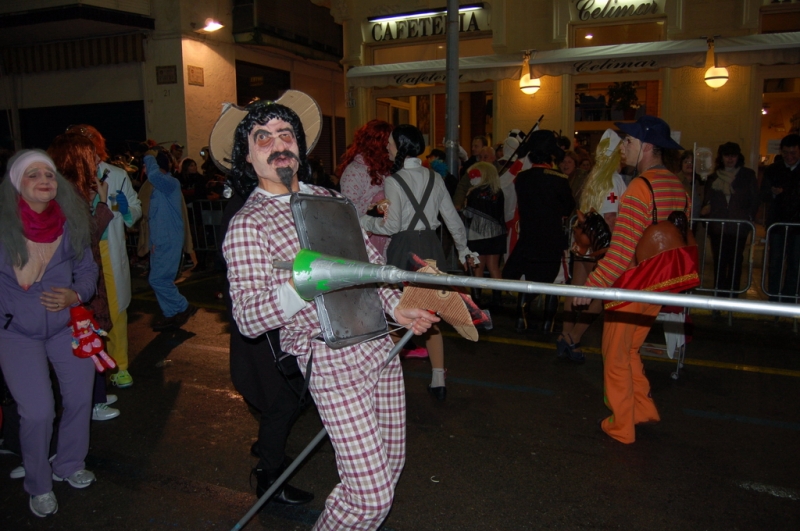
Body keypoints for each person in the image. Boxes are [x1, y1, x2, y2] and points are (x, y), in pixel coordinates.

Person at [219, 92, 438, 531]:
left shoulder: (330, 199)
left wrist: (403, 311)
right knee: (370, 494)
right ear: (247, 156)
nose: (278, 143)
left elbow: (369, 271)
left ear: (299, 146)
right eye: (262, 137)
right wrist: (304, 285)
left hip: (380, 348)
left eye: (286, 134)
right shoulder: (248, 225)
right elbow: (246, 318)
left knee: (387, 473)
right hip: (330, 359)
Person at [573, 115, 698, 444]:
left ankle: (622, 426)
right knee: (630, 351)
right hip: (658, 286)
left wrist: (590, 288)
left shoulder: (638, 189)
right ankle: (642, 409)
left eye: (628, 142)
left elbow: (620, 253)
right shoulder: (676, 186)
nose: (622, 148)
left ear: (645, 147)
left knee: (615, 355)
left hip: (631, 285)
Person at [0, 150, 99, 517]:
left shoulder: (70, 223)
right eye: (33, 175)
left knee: (79, 396)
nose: (44, 180)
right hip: (15, 334)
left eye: (50, 174)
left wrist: (76, 294)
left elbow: (88, 271)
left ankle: (70, 463)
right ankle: (38, 483)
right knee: (38, 412)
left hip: (64, 329)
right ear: (17, 184)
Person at [360, 124, 477, 401]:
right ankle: (438, 378)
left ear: (400, 146)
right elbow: (452, 219)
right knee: (430, 313)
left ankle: (388, 380)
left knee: (395, 314)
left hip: (404, 249)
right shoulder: (435, 177)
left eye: (390, 143)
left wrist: (363, 220)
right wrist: (463, 250)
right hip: (431, 247)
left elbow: (392, 225)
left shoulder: (394, 179)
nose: (387, 147)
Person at [220, 189, 314, 505]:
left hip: (278, 318)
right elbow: (243, 280)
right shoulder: (245, 209)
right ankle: (269, 478)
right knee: (285, 397)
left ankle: (267, 453)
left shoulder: (267, 198)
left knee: (287, 396)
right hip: (267, 323)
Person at [48, 133, 120, 421]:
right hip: (72, 285)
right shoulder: (65, 193)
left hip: (81, 280)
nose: (96, 162)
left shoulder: (71, 191)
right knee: (83, 339)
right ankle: (90, 402)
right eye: (90, 157)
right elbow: (86, 238)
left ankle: (96, 395)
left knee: (89, 336)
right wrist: (102, 205)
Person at [67, 124, 142, 389]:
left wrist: (125, 207)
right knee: (84, 312)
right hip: (79, 253)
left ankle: (119, 365)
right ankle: (89, 368)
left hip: (109, 249)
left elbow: (134, 207)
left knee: (116, 308)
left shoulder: (118, 175)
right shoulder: (68, 175)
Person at [558, 129, 628, 363]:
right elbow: (610, 219)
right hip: (600, 246)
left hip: (583, 243)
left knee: (575, 290)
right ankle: (573, 337)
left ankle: (565, 334)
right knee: (599, 296)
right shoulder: (613, 180)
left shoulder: (593, 177)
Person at [502, 130, 575, 332]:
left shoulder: (523, 178)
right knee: (555, 283)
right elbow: (568, 207)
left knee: (528, 280)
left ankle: (520, 318)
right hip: (552, 238)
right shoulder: (559, 178)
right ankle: (547, 324)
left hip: (528, 237)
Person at [142, 148, 197, 331]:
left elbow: (154, 176)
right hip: (161, 241)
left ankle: (182, 307)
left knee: (158, 280)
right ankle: (172, 313)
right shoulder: (159, 187)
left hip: (168, 240)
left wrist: (150, 156)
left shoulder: (170, 183)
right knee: (161, 279)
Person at [701, 142, 759, 297]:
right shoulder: (714, 177)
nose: (730, 159)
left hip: (739, 226)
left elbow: (754, 199)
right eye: (727, 155)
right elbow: (707, 200)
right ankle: (719, 295)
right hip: (718, 226)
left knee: (735, 261)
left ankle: (733, 295)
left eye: (733, 155)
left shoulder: (747, 175)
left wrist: (749, 219)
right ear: (722, 157)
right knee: (719, 262)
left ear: (738, 156)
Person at [337, 119, 394, 258]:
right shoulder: (354, 171)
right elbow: (349, 211)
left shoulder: (386, 169)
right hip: (366, 240)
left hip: (385, 237)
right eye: (390, 142)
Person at [760, 133, 800, 302]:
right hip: (777, 223)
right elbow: (763, 194)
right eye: (786, 153)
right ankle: (774, 296)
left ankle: (790, 297)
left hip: (797, 225)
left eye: (793, 154)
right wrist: (773, 193)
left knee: (795, 263)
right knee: (775, 262)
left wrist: (786, 195)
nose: (789, 157)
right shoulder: (773, 170)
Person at [461, 161, 506, 308]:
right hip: (496, 234)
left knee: (477, 267)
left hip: (477, 235)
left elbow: (468, 214)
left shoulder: (474, 192)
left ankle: (476, 300)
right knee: (494, 267)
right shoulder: (498, 192)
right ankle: (498, 299)